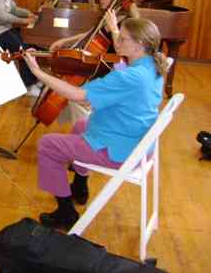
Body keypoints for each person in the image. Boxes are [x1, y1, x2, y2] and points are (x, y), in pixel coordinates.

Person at [22, 17, 169, 230]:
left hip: (121, 151)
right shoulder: (152, 65)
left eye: (123, 38)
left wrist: (38, 73)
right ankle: (80, 187)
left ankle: (65, 213)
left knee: (48, 144)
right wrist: (115, 31)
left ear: (139, 45)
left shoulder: (131, 76)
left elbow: (78, 95)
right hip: (138, 141)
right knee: (81, 125)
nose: (116, 40)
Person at [49, 0, 140, 53]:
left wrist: (114, 29)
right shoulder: (108, 16)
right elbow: (91, 34)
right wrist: (64, 41)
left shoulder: (129, 22)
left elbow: (122, 51)